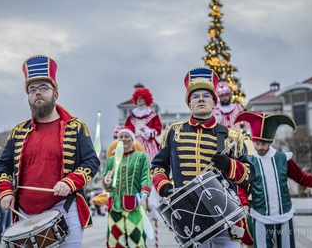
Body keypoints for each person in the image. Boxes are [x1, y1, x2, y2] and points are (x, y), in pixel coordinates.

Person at [0, 55, 100, 247]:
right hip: (24, 214)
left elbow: (91, 162)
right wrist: (5, 191)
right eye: (32, 90)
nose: (38, 93)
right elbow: (3, 165)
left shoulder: (76, 127)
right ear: (28, 96)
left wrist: (70, 182)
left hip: (65, 209)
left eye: (44, 87)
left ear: (55, 94)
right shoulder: (17, 132)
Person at [150, 67, 255, 248]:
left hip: (224, 217)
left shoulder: (231, 136)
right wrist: (164, 187)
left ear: (214, 103)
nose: (200, 99)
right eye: (194, 96)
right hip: (188, 218)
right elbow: (158, 166)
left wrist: (229, 165)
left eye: (206, 96)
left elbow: (249, 174)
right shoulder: (173, 132)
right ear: (189, 104)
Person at [234, 111, 312, 248]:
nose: (260, 147)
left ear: (270, 142)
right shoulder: (249, 163)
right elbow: (242, 187)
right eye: (257, 144)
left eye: (263, 144)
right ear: (253, 141)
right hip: (260, 217)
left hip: (285, 217)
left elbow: (301, 177)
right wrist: (243, 203)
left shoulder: (284, 159)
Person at [102, 126, 151, 248]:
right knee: (115, 241)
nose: (123, 139)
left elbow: (146, 177)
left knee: (137, 240)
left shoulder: (141, 157)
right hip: (114, 205)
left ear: (132, 139)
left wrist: (144, 195)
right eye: (121, 137)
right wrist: (107, 180)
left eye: (126, 137)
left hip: (134, 204)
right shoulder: (110, 160)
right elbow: (105, 183)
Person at [124, 87, 162, 220]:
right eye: (138, 98)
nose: (140, 101)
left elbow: (158, 130)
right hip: (136, 144)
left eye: (142, 98)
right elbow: (127, 130)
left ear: (146, 99)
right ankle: (135, 205)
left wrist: (148, 131)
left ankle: (153, 205)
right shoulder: (132, 116)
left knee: (151, 174)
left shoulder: (152, 115)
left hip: (149, 145)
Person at [0, 178, 11, 242]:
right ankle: (0, 236)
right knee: (3, 220)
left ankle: (6, 236)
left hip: (9, 202)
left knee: (8, 220)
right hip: (2, 201)